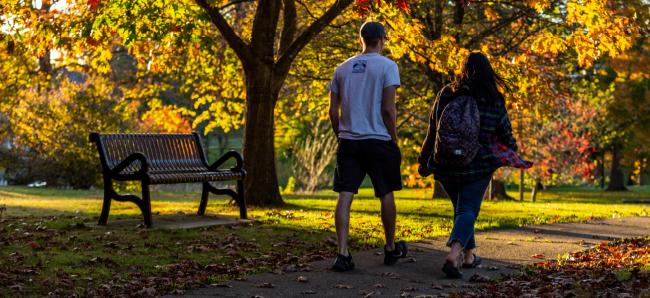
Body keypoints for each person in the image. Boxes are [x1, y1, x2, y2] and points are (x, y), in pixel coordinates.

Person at [418, 52, 530, 278]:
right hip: (478, 165)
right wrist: (511, 149)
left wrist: (425, 159)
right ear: (489, 72)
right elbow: (506, 134)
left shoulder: (447, 93)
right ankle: (453, 255)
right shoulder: (493, 98)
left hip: (446, 163)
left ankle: (468, 257)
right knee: (468, 209)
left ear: (463, 70)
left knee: (462, 210)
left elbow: (433, 129)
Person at [327, 21, 408, 272]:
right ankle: (391, 248)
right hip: (378, 140)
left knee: (345, 195)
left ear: (360, 38)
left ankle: (342, 253)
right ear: (382, 39)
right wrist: (393, 138)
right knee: (385, 194)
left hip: (349, 140)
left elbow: (332, 110)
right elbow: (388, 109)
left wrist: (340, 134)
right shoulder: (388, 66)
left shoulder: (341, 68)